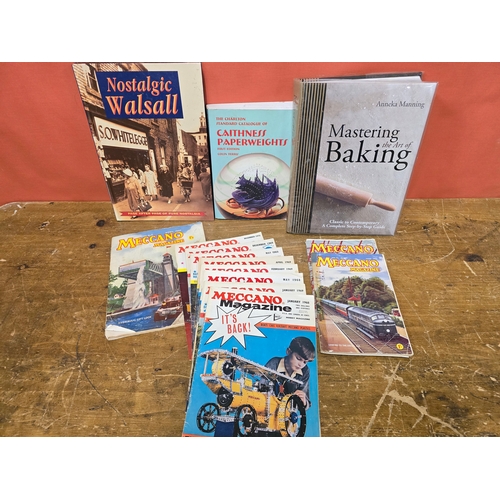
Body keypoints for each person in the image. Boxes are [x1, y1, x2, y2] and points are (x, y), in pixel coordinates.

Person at [264, 336, 316, 409]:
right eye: (298, 358)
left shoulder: (305, 371)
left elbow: (305, 400)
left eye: (305, 362)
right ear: (288, 351)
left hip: (288, 412)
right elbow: (262, 388)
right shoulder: (274, 363)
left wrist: (303, 402)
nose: (301, 364)